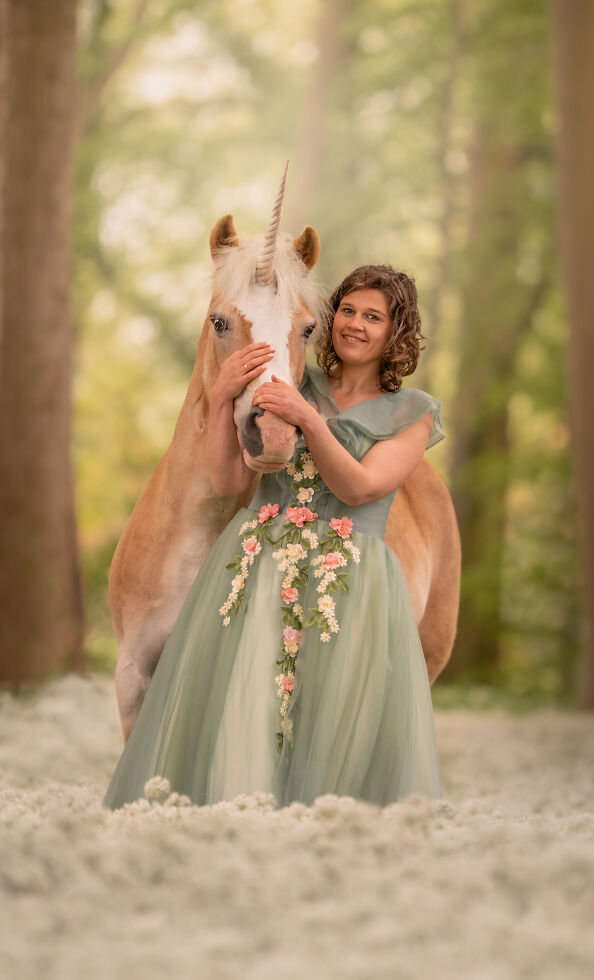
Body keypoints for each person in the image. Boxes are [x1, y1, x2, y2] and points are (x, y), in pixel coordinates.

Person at [102, 264, 446, 811]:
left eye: (373, 317)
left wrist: (307, 420)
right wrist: (221, 400)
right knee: (248, 711)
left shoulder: (413, 413)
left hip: (351, 581)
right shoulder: (289, 380)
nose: (355, 325)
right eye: (348, 312)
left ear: (396, 331)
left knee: (334, 719)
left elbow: (360, 488)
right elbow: (233, 480)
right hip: (263, 567)